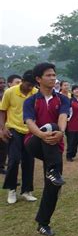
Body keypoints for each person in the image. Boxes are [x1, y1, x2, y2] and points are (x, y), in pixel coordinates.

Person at [23, 62, 70, 236]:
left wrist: (62, 132)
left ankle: (43, 223)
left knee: (53, 188)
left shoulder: (63, 99)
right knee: (50, 126)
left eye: (53, 75)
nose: (52, 78)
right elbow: (29, 123)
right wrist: (43, 135)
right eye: (48, 75)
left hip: (55, 144)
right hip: (33, 142)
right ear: (38, 79)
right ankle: (52, 170)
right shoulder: (31, 101)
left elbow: (63, 116)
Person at [1, 70, 37, 204]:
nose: (29, 88)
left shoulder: (35, 93)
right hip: (14, 130)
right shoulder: (10, 92)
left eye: (32, 85)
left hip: (30, 131)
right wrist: (3, 128)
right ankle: (11, 189)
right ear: (22, 80)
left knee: (28, 161)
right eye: (28, 84)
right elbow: (2, 110)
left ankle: (27, 191)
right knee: (14, 160)